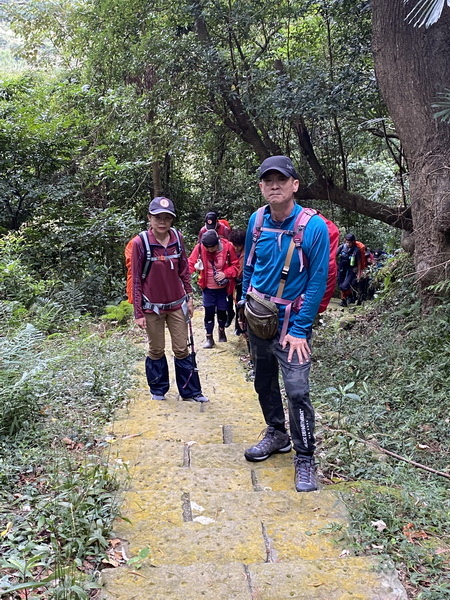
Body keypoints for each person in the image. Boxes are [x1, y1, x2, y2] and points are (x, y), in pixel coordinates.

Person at [240, 155, 329, 493]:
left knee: (297, 390)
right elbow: (249, 265)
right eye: (267, 180)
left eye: (281, 180)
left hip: (293, 324)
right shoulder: (257, 220)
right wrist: (244, 305)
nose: (274, 185)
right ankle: (276, 434)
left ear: (295, 185)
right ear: (262, 186)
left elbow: (317, 280)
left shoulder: (313, 226)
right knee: (263, 382)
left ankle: (305, 457)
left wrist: (300, 328)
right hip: (259, 318)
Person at [130, 196, 208, 403]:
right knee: (156, 348)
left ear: (172, 220)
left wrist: (189, 297)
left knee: (182, 347)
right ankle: (158, 390)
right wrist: (138, 313)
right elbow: (136, 280)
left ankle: (190, 391)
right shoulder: (140, 243)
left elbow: (184, 269)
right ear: (149, 218)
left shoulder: (177, 238)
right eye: (157, 217)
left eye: (167, 217)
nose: (162, 221)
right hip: (151, 307)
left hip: (177, 304)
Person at [188, 229, 240, 349]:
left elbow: (236, 266)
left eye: (212, 247)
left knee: (222, 311)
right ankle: (209, 337)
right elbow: (190, 263)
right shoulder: (200, 248)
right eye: (207, 248)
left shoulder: (228, 247)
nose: (210, 250)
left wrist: (225, 273)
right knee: (209, 312)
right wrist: (185, 276)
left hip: (223, 288)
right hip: (207, 287)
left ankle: (221, 330)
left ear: (218, 242)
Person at [336, 233, 362, 307]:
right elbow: (335, 256)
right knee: (341, 286)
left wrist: (359, 274)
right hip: (341, 268)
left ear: (353, 242)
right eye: (347, 242)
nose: (348, 244)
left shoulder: (356, 250)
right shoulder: (342, 247)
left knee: (344, 286)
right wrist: (335, 265)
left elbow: (359, 263)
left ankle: (350, 296)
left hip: (351, 270)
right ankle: (343, 301)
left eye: (350, 242)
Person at [228, 229, 246, 335]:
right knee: (236, 303)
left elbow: (240, 271)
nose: (234, 247)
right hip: (235, 282)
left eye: (236, 245)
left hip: (242, 283)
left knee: (240, 304)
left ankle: (240, 327)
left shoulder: (245, 254)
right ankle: (237, 326)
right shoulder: (233, 250)